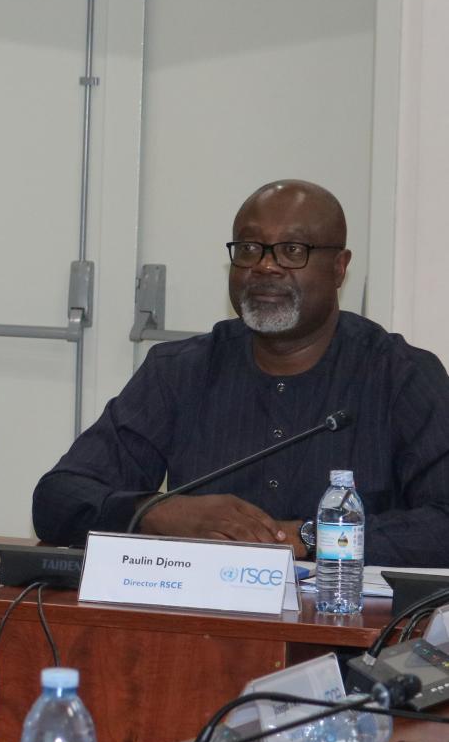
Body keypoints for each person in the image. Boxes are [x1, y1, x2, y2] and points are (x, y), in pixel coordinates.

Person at [32, 180, 449, 567]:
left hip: (345, 617)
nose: (265, 266)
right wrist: (159, 513)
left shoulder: (401, 376)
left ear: (339, 267)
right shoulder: (179, 370)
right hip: (201, 615)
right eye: (250, 248)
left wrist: (310, 537)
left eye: (292, 250)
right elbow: (58, 498)